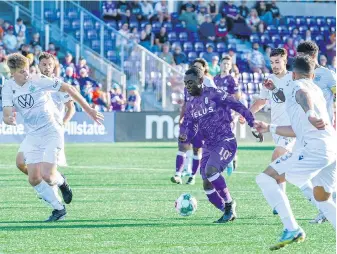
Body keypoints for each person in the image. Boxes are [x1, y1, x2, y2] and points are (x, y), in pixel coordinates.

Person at [2, 53, 103, 222]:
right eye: (22, 72)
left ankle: (62, 181)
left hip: (51, 130)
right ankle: (58, 209)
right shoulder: (7, 87)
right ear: (12, 73)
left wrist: (89, 110)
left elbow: (70, 89)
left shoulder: (38, 80)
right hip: (33, 134)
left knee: (48, 175)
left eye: (27, 70)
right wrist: (8, 119)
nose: (26, 74)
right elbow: (6, 113)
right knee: (33, 178)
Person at [254, 55, 336, 250]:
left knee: (265, 178)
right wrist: (269, 127)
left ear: (293, 73)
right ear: (313, 74)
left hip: (315, 149)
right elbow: (297, 129)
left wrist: (310, 113)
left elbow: (301, 94)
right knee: (321, 197)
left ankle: (292, 228)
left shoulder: (297, 84)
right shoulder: (317, 90)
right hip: (331, 149)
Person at [179, 66, 255, 222]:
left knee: (211, 170)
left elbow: (238, 105)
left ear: (201, 80)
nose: (188, 86)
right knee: (207, 184)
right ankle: (226, 209)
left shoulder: (215, 94)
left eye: (191, 82)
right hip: (209, 145)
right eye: (185, 83)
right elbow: (190, 124)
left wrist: (252, 123)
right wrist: (185, 134)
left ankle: (229, 204)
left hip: (225, 140)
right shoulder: (192, 104)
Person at [16, 52, 75, 200]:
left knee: (46, 172)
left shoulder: (59, 86)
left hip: (51, 131)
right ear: (38, 65)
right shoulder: (33, 83)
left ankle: (57, 197)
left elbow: (71, 108)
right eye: (44, 64)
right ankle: (52, 183)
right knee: (20, 163)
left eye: (50, 65)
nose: (47, 67)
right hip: (34, 132)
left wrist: (63, 123)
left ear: (54, 66)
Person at [243, 48, 296, 213]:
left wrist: (274, 89)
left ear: (285, 61)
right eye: (272, 62)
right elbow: (262, 101)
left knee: (277, 156)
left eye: (277, 61)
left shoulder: (293, 78)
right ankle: (282, 199)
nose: (274, 65)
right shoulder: (269, 80)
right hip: (275, 127)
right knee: (281, 163)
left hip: (291, 127)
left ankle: (281, 200)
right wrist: (247, 114)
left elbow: (289, 100)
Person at [297, 41, 337, 223]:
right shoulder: (301, 76)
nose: (298, 59)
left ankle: (326, 209)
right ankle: (326, 209)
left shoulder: (327, 75)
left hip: (325, 130)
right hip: (307, 132)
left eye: (301, 56)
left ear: (312, 56)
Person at [171, 58, 216, 185]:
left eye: (199, 68)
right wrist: (181, 117)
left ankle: (192, 176)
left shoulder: (207, 84)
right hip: (188, 122)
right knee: (182, 146)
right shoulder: (187, 85)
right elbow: (185, 103)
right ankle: (177, 174)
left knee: (197, 149)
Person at [214, 55, 241, 173]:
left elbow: (236, 97)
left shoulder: (231, 80)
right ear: (220, 65)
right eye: (223, 63)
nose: (225, 66)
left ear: (230, 67)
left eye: (227, 64)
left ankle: (231, 158)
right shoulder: (215, 79)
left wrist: (235, 114)